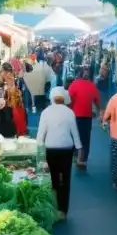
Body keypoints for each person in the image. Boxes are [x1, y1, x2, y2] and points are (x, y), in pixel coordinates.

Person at [36, 87, 82, 219]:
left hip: (50, 150)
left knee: (52, 180)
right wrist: (79, 150)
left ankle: (53, 208)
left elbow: (40, 136)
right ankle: (63, 211)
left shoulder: (46, 112)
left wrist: (39, 153)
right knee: (65, 180)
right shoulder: (70, 112)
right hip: (66, 150)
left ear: (51, 98)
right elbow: (75, 133)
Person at [67, 66, 101, 169]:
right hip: (87, 116)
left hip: (74, 116)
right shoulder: (92, 86)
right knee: (85, 138)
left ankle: (76, 155)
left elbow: (68, 100)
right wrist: (100, 112)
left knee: (74, 136)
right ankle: (82, 159)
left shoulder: (74, 85)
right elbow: (97, 101)